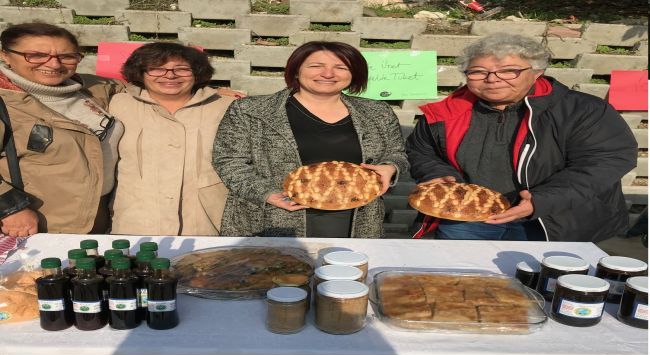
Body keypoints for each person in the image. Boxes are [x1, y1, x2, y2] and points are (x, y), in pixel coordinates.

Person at [406, 33, 638, 242]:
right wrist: (438, 175)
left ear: (537, 72)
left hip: (552, 220)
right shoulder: (445, 113)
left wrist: (543, 200)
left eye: (509, 71)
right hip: (467, 217)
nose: (492, 79)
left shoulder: (582, 110)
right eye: (478, 72)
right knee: (462, 280)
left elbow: (606, 160)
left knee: (541, 283)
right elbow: (421, 151)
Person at [213, 41, 408, 238]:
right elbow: (228, 161)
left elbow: (396, 154)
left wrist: (390, 167)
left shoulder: (378, 112)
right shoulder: (250, 111)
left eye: (341, 67)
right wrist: (267, 194)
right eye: (316, 66)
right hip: (274, 214)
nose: (328, 74)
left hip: (356, 217)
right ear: (296, 70)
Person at [0, 22, 125, 236]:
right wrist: (10, 208)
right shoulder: (6, 101)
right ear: (6, 56)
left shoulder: (94, 88)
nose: (54, 64)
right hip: (38, 224)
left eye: (67, 56)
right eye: (36, 55)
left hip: (100, 216)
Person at [109, 42, 237, 236]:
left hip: (205, 223)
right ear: (140, 72)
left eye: (182, 69)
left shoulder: (228, 107)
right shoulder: (117, 104)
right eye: (157, 69)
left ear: (197, 73)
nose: (170, 75)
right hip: (136, 224)